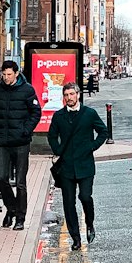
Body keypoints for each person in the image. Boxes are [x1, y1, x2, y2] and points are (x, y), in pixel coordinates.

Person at [48, 82, 109, 252]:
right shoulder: (59, 116)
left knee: (85, 197)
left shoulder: (89, 114)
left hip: (85, 165)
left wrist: (92, 146)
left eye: (71, 94)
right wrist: (58, 150)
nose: (69, 98)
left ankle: (90, 223)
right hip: (66, 166)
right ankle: (75, 238)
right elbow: (52, 135)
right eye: (66, 95)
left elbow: (103, 132)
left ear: (78, 95)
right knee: (68, 203)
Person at [0, 60, 42, 230]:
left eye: (9, 74)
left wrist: (25, 130)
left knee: (20, 182)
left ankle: (20, 217)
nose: (6, 77)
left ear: (16, 74)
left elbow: (36, 112)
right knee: (1, 177)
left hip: (20, 142)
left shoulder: (27, 90)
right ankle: (11, 209)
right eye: (4, 74)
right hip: (1, 141)